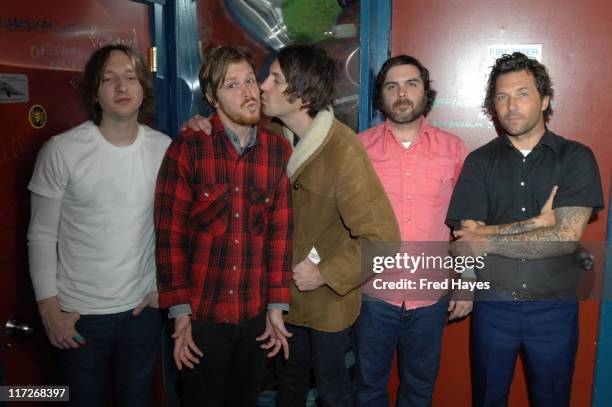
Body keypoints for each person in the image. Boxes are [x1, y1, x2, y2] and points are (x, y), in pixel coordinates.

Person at [185, 44, 400, 407]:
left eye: (275, 79)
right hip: (277, 301)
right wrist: (200, 123)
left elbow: (384, 240)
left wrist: (324, 273)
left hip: (326, 304)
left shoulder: (342, 149)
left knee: (333, 391)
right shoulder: (269, 135)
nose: (261, 87)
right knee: (289, 388)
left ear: (301, 95)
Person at [446, 52, 604, 407]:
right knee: (487, 399)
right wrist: (538, 223)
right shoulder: (479, 161)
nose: (511, 106)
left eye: (522, 93)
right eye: (501, 97)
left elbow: (564, 239)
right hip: (493, 306)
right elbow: (466, 242)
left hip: (553, 308)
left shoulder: (576, 157)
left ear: (545, 99)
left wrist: (487, 237)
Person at [27, 44, 170, 407]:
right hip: (79, 317)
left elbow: (173, 230)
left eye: (130, 77)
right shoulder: (61, 151)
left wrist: (162, 290)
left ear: (143, 89)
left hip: (142, 312)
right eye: (109, 79)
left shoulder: (165, 149)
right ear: (94, 91)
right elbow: (41, 235)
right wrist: (50, 312)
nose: (121, 87)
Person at [154, 45, 293, 407]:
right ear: (212, 98)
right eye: (232, 85)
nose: (247, 90)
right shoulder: (188, 148)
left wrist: (277, 306)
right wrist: (179, 314)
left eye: (249, 80)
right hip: (202, 318)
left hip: (255, 317)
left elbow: (280, 235)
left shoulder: (278, 151)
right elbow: (168, 238)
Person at [354, 55, 470, 407]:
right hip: (372, 295)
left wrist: (466, 285)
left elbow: (467, 226)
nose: (401, 93)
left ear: (425, 93)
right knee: (368, 386)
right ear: (381, 96)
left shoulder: (453, 149)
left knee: (420, 388)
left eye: (411, 84)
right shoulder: (358, 148)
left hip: (429, 298)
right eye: (392, 86)